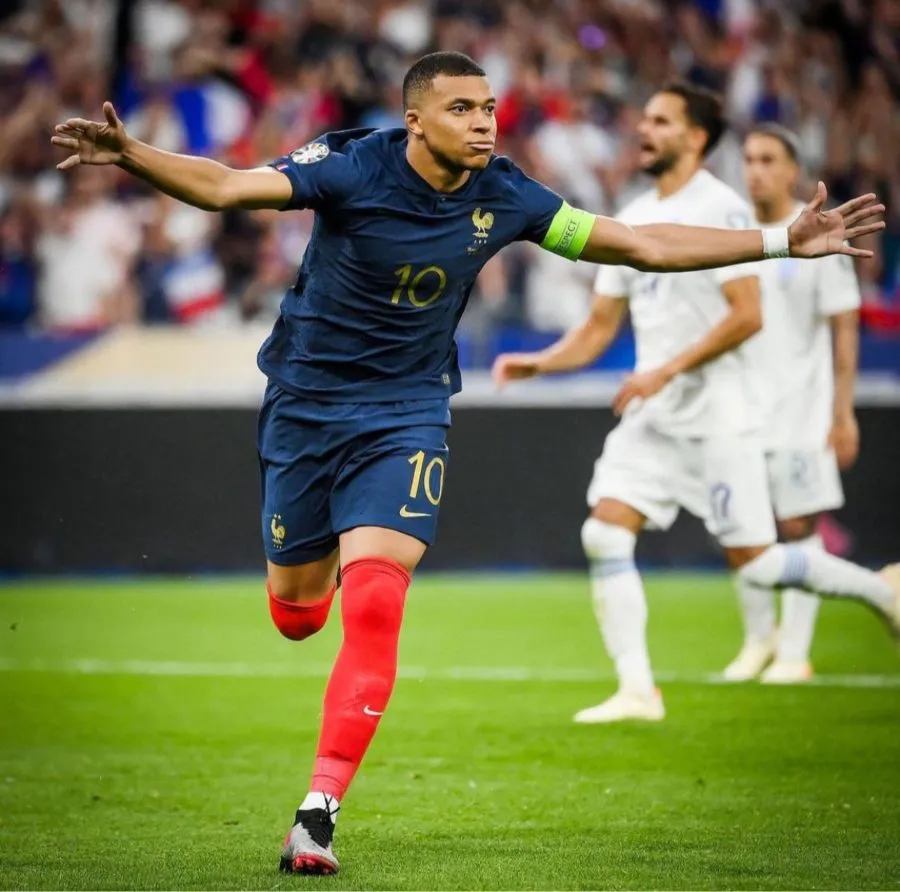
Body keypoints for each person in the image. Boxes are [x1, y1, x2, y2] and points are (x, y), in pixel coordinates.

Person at [51, 54, 889, 873]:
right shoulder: (351, 169)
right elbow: (230, 186)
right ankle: (322, 565)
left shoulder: (508, 192)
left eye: (489, 107)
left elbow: (635, 243)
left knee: (376, 600)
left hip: (407, 414)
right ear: (414, 121)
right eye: (462, 109)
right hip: (305, 407)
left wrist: (781, 240)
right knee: (298, 617)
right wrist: (133, 156)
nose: (484, 122)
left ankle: (317, 815)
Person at [492, 82, 900, 725]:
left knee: (760, 566)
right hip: (657, 416)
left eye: (661, 121)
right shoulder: (629, 212)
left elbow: (747, 315)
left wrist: (665, 371)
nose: (644, 131)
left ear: (697, 137)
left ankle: (881, 589)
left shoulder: (725, 208)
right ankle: (637, 692)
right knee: (603, 530)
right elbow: (600, 327)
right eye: (644, 119)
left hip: (719, 413)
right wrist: (541, 361)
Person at [722, 124, 863, 684]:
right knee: (740, 529)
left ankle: (794, 651)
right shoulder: (730, 236)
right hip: (736, 407)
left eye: (766, 159)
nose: (754, 169)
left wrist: (843, 410)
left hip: (800, 409)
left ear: (791, 170)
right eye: (748, 158)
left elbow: (845, 327)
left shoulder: (817, 235)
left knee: (799, 524)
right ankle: (760, 639)